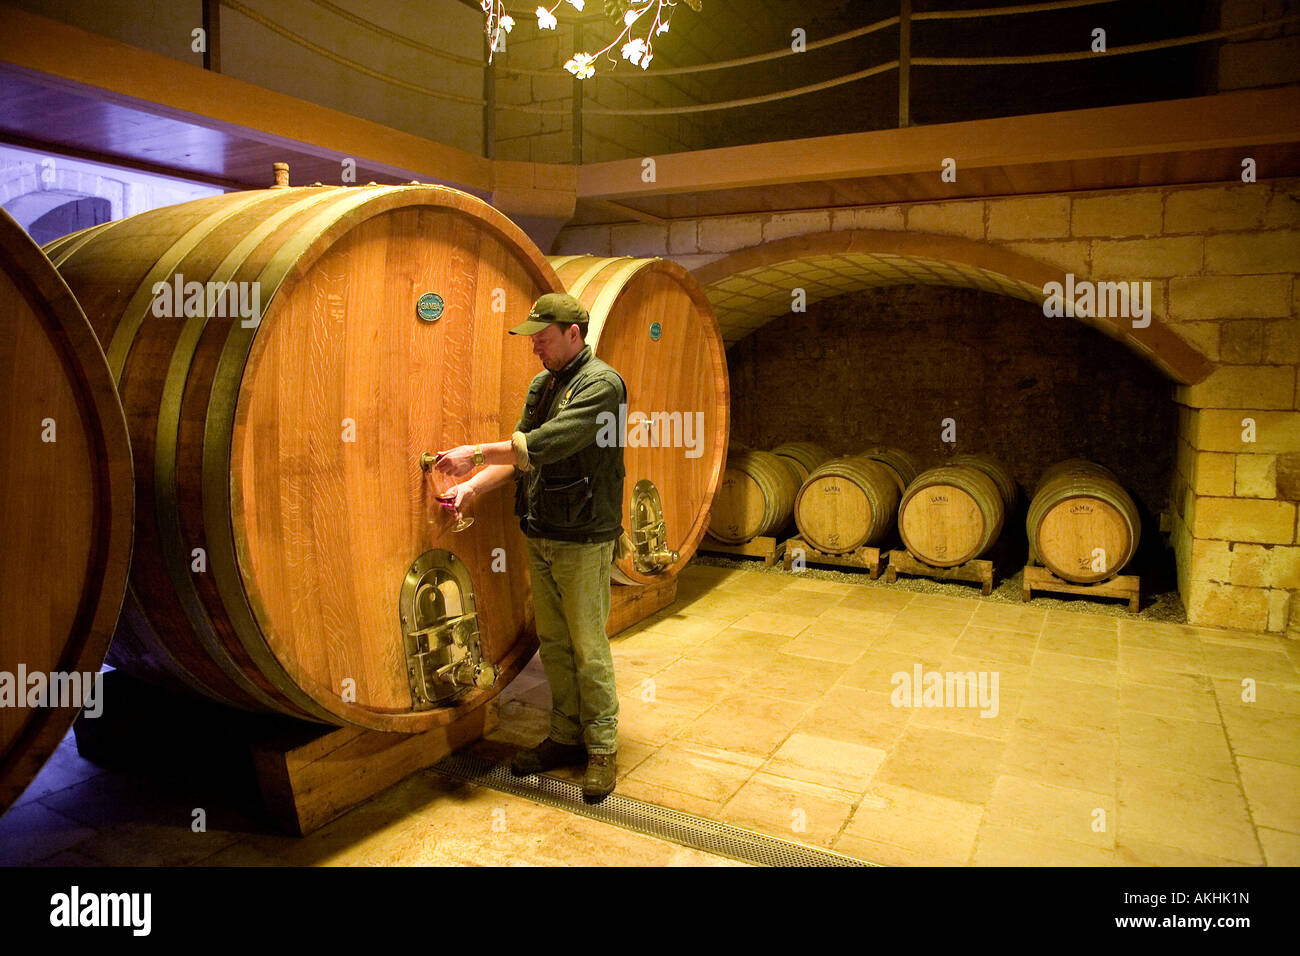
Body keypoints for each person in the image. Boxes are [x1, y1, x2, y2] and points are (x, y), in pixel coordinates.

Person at [433, 292, 627, 801]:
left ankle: (602, 747)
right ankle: (565, 736)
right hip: (541, 529)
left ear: (573, 334)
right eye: (533, 341)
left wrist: (472, 453)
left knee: (588, 643)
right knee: (555, 642)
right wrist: (472, 487)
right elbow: (521, 456)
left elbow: (544, 444)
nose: (536, 349)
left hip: (584, 533)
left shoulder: (602, 385)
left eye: (542, 340)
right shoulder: (544, 384)